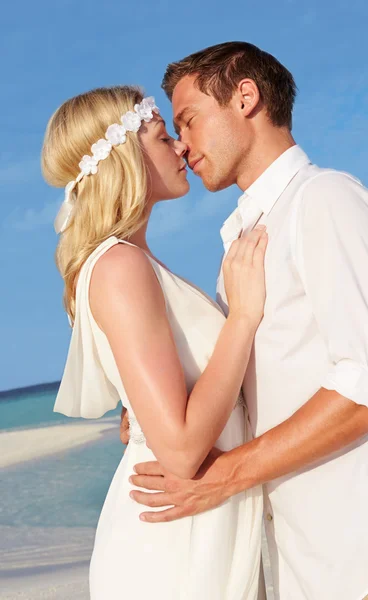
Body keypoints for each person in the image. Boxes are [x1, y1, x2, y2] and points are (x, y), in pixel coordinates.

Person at [126, 42, 368, 600]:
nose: (181, 143)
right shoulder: (240, 244)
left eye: (190, 119)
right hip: (303, 571)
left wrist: (225, 476)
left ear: (245, 97)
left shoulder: (324, 201)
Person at [42, 85, 269, 599]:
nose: (182, 148)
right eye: (163, 136)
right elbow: (183, 450)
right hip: (175, 541)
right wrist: (244, 316)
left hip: (200, 524)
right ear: (123, 156)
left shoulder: (135, 264)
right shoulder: (120, 267)